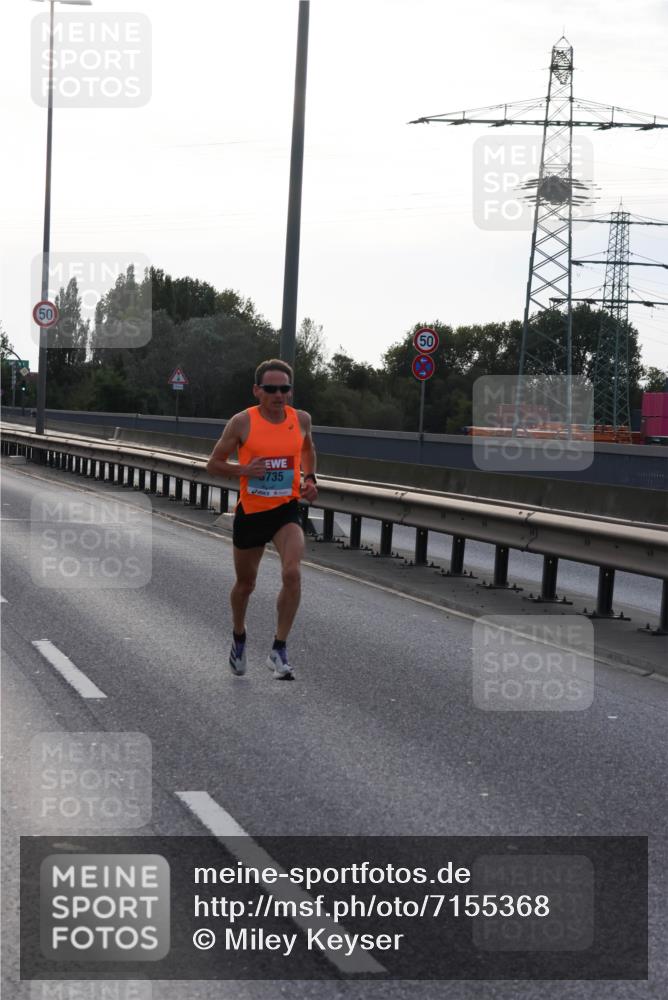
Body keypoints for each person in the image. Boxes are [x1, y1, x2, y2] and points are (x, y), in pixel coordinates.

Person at [206, 359, 318, 680]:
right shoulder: (242, 423)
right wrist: (244, 470)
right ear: (257, 391)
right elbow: (213, 465)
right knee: (246, 585)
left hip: (286, 509)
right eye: (271, 389)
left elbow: (309, 449)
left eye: (284, 389)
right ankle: (239, 637)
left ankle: (278, 649)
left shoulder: (302, 420)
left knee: (293, 573)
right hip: (252, 513)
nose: (278, 395)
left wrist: (309, 478)